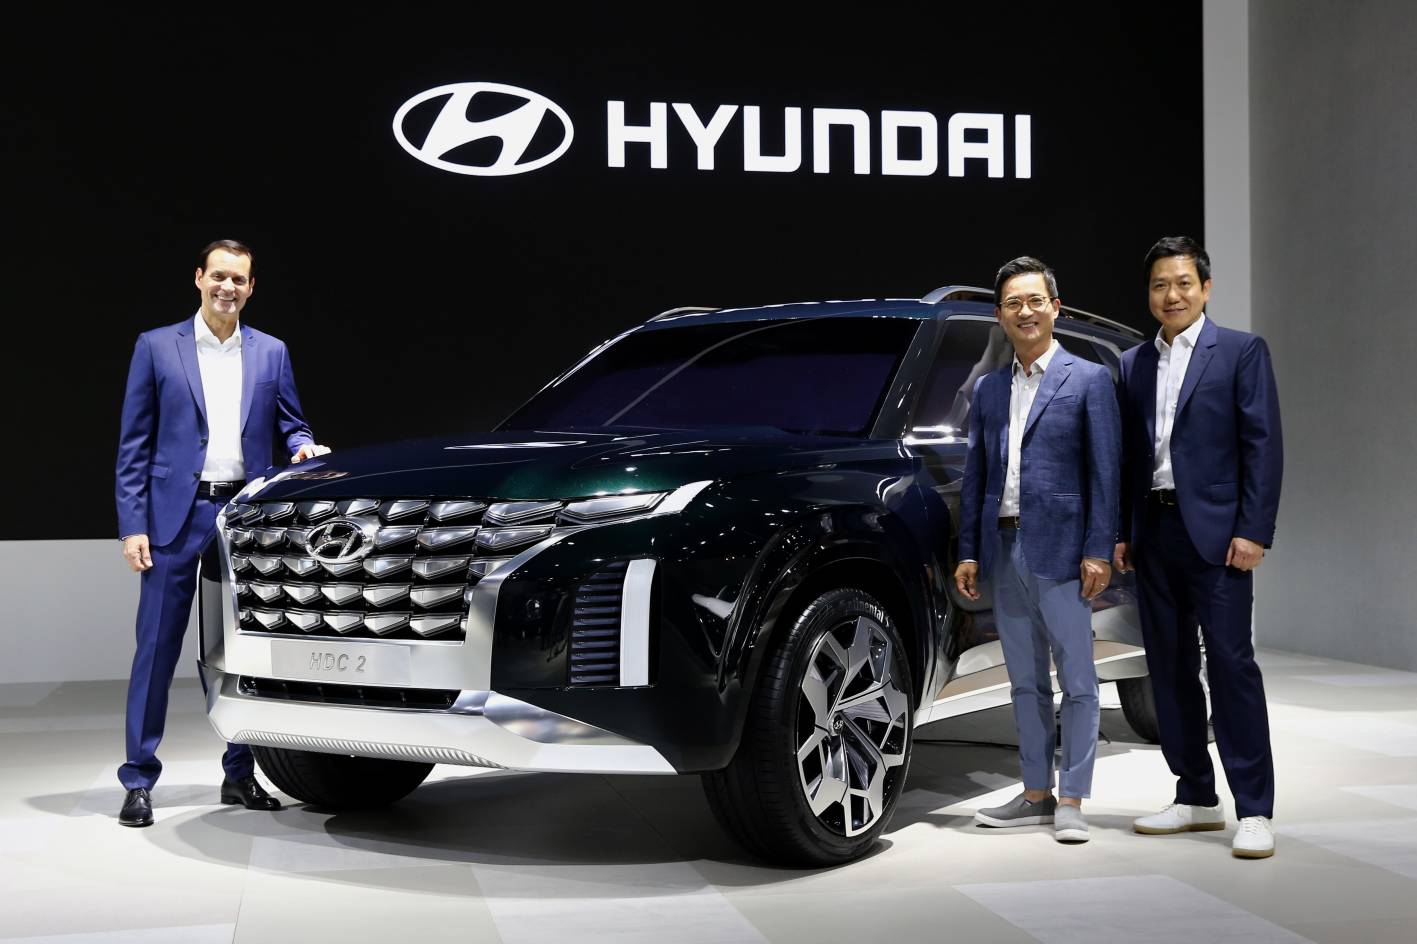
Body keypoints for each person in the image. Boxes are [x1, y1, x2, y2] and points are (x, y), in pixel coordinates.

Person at [114, 239, 328, 827]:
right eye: (219, 276)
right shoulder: (157, 346)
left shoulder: (271, 352)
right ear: (199, 279)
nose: (227, 287)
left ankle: (240, 774)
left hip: (244, 517)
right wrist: (133, 525)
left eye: (238, 279)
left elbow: (292, 423)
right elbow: (134, 445)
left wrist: (302, 446)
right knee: (156, 649)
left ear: (251, 288)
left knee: (244, 649)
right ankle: (138, 779)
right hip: (173, 519)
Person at [1114, 236, 1283, 859]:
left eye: (1183, 283)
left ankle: (1255, 809)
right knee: (1169, 669)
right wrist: (1123, 532)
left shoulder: (1240, 351)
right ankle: (1195, 795)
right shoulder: (1132, 363)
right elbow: (1129, 458)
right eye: (1160, 284)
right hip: (1154, 534)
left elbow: (1262, 446)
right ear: (1149, 293)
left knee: (1232, 668)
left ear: (1205, 288)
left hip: (1218, 536)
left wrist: (1254, 530)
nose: (1172, 295)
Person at [955, 256, 1120, 843]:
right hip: (1003, 548)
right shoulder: (990, 389)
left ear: (1055, 307)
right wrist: (969, 550)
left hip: (1065, 550)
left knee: (1078, 679)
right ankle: (1035, 794)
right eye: (1013, 304)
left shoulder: (1089, 379)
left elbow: (1105, 473)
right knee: (1024, 682)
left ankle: (1072, 798)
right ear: (1000, 316)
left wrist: (1099, 549)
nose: (1024, 312)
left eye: (1034, 300)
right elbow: (977, 476)